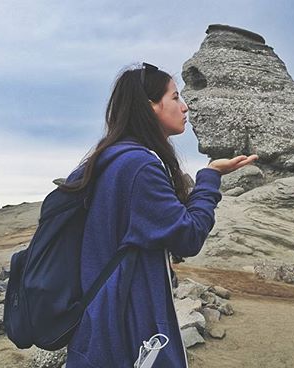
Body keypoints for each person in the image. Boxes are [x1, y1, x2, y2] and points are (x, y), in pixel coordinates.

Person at [63, 63, 257, 368]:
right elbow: (188, 237)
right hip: (127, 323)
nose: (185, 106)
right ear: (150, 106)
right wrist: (209, 177)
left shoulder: (105, 158)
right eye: (175, 97)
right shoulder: (139, 167)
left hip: (98, 318)